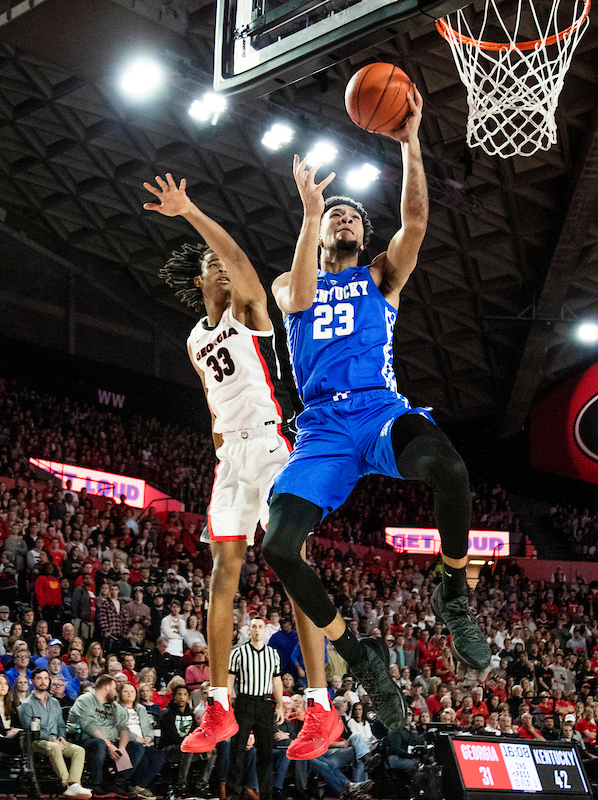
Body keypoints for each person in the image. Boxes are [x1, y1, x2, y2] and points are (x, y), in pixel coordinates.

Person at [261, 92, 491, 756]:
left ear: (363, 237)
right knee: (279, 547)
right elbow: (298, 296)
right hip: (323, 431)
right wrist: (310, 214)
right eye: (337, 214)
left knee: (448, 467)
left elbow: (415, 225)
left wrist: (410, 142)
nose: (343, 218)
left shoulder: (380, 277)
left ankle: (451, 587)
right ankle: (358, 656)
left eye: (351, 216)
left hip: (380, 412)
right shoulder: (290, 281)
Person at [149, 173, 302, 760]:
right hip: (231, 454)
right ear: (198, 281)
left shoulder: (251, 314)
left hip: (270, 447)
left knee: (289, 562)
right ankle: (218, 704)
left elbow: (239, 257)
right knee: (222, 576)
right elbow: (214, 404)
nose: (221, 267)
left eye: (223, 263)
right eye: (210, 264)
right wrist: (219, 447)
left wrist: (189, 212)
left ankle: (319, 697)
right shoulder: (194, 339)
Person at [225, 619, 283, 800]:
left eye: (260, 626)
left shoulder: (273, 654)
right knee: (237, 750)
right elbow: (229, 679)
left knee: (266, 752)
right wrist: (227, 703)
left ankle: (266, 795)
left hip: (265, 704)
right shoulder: (238, 653)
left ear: (266, 630)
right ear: (249, 630)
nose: (257, 630)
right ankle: (233, 793)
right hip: (244, 703)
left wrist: (280, 704)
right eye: (254, 626)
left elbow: (276, 680)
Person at [18, 668, 90, 799]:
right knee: (55, 747)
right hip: (36, 741)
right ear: (32, 681)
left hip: (56, 740)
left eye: (45, 678)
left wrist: (61, 737)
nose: (43, 681)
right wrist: (52, 740)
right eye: (39, 678)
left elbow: (61, 724)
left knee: (78, 750)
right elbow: (31, 729)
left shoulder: (55, 702)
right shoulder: (27, 704)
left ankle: (74, 784)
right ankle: (68, 785)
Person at [68, 673, 146, 795]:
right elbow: (89, 726)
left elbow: (123, 727)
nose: (116, 692)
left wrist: (121, 748)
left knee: (137, 747)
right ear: (106, 688)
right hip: (88, 740)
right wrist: (109, 745)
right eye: (114, 688)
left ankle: (118, 783)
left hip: (111, 742)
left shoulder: (114, 706)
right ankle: (96, 784)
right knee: (99, 744)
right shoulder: (86, 700)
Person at [161, 684, 215, 796]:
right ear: (174, 696)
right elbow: (173, 737)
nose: (182, 697)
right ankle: (181, 785)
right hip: (171, 749)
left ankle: (201, 785)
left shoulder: (191, 714)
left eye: (185, 694)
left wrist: (203, 747)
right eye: (179, 694)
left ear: (188, 698)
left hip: (190, 748)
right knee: (188, 749)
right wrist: (191, 744)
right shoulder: (167, 715)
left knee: (213, 751)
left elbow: (197, 734)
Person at [117, 682, 167, 799]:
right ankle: (136, 786)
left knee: (159, 756)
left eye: (132, 691)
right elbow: (118, 729)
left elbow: (148, 727)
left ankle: (139, 786)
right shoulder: (117, 708)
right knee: (143, 759)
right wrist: (137, 739)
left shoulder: (141, 708)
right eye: (126, 691)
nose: (129, 694)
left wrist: (149, 737)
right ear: (120, 694)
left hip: (144, 742)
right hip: (127, 742)